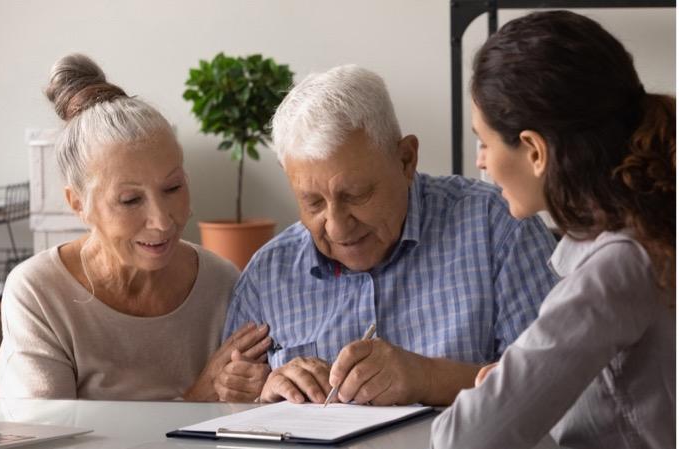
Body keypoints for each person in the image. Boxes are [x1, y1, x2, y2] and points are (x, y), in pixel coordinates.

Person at [430, 11, 675, 449]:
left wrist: (502, 399)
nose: (480, 162)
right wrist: (516, 386)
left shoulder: (616, 267)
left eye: (483, 142)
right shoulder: (649, 236)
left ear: (535, 151)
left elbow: (460, 444)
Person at [214, 64, 558, 405]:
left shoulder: (497, 227)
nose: (336, 226)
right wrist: (261, 394)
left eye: (356, 194)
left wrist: (429, 379)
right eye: (313, 202)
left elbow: (558, 387)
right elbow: (226, 428)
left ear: (406, 160)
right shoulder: (267, 276)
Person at [0, 54, 270, 400]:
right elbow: (47, 443)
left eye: (173, 188)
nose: (162, 221)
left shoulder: (222, 283)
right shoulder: (39, 292)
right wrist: (194, 401)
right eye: (130, 200)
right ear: (78, 203)